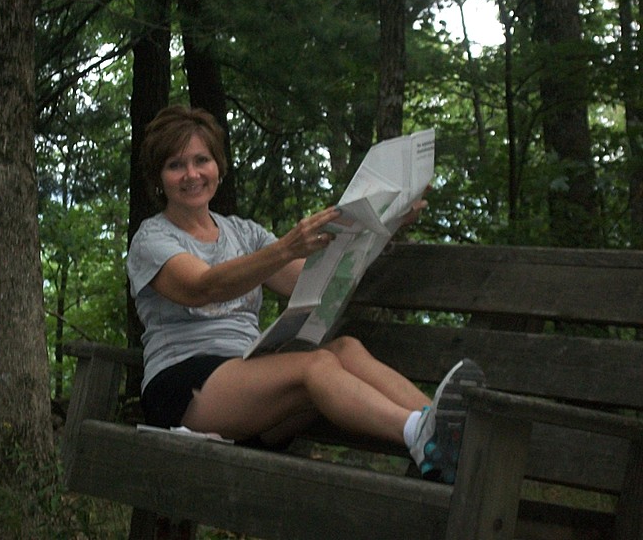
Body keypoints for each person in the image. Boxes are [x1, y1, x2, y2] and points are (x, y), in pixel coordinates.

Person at [126, 105, 485, 484]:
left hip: (252, 380)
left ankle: (459, 440)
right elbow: (204, 287)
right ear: (158, 177)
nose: (192, 174)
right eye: (176, 165)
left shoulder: (242, 233)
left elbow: (318, 286)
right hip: (184, 391)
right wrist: (285, 248)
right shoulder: (152, 239)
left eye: (202, 160)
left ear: (219, 165)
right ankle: (422, 437)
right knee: (315, 366)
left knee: (344, 348)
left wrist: (384, 224)